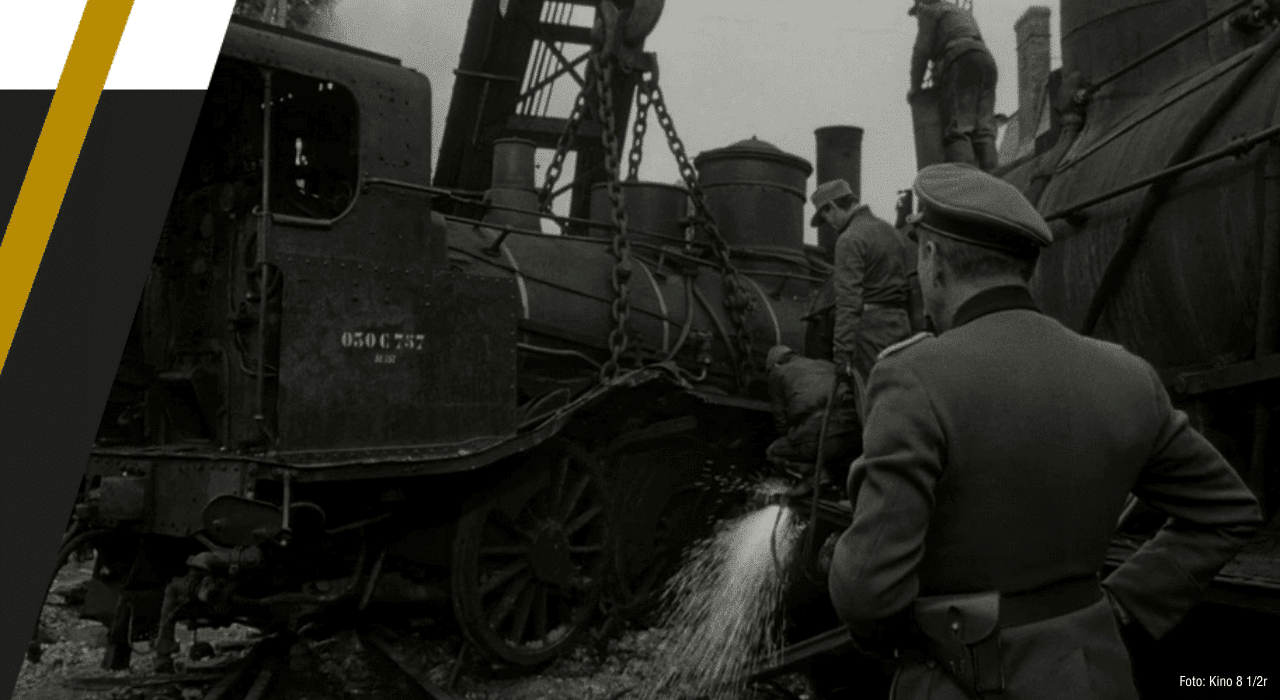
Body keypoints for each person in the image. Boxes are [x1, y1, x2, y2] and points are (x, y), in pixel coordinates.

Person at [826, 163, 1263, 699]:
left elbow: (867, 595)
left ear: (932, 258)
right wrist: (1121, 603)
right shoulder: (1127, 374)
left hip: (959, 679)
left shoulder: (912, 377)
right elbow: (1228, 510)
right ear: (1026, 266)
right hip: (1094, 677)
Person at [810, 179, 912, 383]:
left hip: (869, 335)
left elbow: (848, 302)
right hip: (901, 327)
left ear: (832, 207)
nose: (829, 224)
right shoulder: (891, 231)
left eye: (826, 217)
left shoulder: (849, 239)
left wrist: (842, 354)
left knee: (868, 403)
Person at [909, 0, 1000, 172]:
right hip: (986, 62)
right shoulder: (959, 11)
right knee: (984, 132)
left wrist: (915, 87)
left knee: (958, 131)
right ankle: (995, 184)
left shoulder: (928, 11)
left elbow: (922, 50)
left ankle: (965, 190)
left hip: (960, 61)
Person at [764, 345, 862, 486]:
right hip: (854, 430)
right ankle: (831, 478)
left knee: (773, 452)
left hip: (822, 432)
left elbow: (781, 423)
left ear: (775, 364)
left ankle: (813, 475)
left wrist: (791, 436)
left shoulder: (777, 373)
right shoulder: (826, 365)